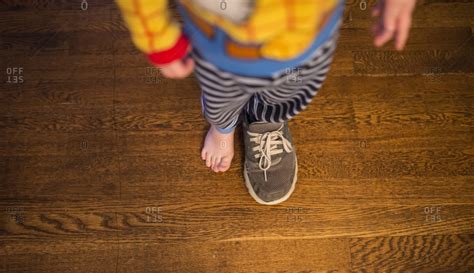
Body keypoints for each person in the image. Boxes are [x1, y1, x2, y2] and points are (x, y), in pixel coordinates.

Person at [115, 0, 416, 205]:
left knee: (290, 94)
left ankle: (265, 120)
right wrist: (155, 36)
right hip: (218, 40)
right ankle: (222, 128)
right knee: (221, 96)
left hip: (309, 35)